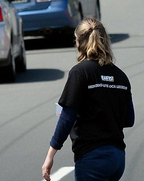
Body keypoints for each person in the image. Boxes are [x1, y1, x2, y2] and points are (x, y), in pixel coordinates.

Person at [42, 18, 134, 181]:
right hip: (117, 158)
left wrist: (50, 154)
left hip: (92, 157)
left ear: (79, 42)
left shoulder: (80, 73)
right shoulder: (121, 77)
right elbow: (129, 119)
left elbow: (67, 117)